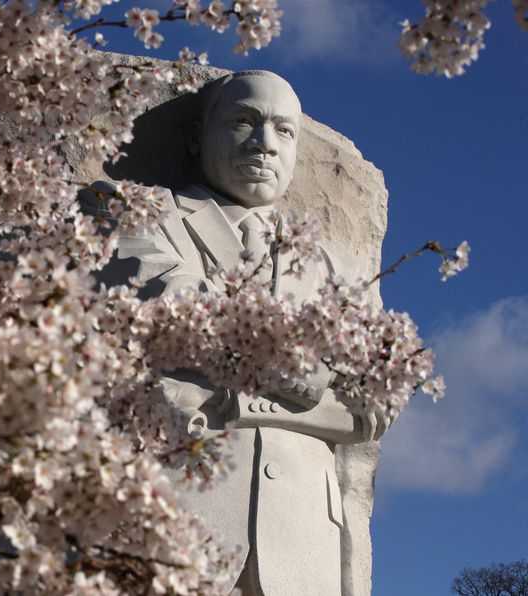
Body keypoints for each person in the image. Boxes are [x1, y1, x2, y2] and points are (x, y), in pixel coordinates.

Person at [109, 70, 390, 595]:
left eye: (285, 131)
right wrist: (300, 373)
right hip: (177, 512)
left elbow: (372, 404)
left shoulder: (334, 266)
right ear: (197, 136)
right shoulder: (143, 215)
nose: (264, 143)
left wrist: (233, 395)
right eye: (244, 121)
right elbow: (174, 312)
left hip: (306, 542)